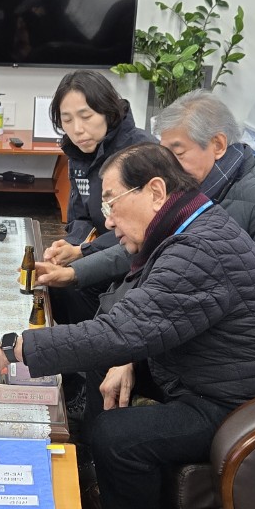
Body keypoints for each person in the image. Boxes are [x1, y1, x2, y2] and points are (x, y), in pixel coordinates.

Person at [0, 142, 255, 509]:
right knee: (105, 365)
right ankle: (107, 481)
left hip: (243, 405)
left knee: (118, 434)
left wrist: (11, 349)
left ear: (155, 191)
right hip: (209, 371)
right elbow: (150, 317)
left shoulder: (199, 251)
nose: (108, 221)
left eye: (112, 203)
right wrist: (127, 358)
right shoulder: (192, 228)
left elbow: (120, 331)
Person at [38, 94, 255, 360]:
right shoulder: (197, 185)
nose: (166, 166)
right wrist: (75, 272)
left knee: (113, 346)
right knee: (71, 293)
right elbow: (145, 243)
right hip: (191, 311)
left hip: (245, 347)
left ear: (218, 145)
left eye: (178, 153)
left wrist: (133, 354)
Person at [39, 70, 154, 328]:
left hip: (136, 262)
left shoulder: (141, 153)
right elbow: (80, 216)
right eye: (67, 120)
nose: (77, 130)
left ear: (108, 111)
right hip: (100, 250)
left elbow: (141, 231)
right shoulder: (78, 153)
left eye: (86, 116)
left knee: (67, 285)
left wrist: (82, 252)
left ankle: (95, 343)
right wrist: (69, 246)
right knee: (52, 283)